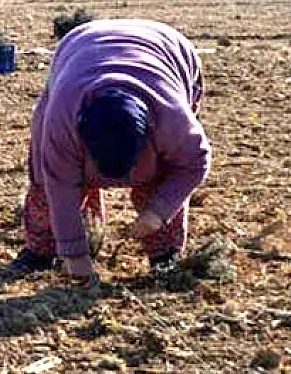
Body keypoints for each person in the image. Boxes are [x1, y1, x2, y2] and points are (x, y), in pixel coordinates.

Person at [13, 19, 210, 283]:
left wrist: (158, 212)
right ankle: (42, 251)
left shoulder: (172, 120)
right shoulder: (62, 118)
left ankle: (165, 255)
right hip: (81, 48)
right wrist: (75, 258)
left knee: (163, 177)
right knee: (44, 184)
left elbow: (194, 165)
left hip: (167, 49)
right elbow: (59, 184)